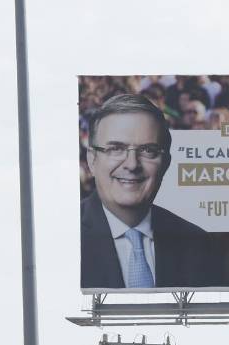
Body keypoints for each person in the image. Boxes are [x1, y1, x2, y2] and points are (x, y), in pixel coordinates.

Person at [81, 93, 211, 289]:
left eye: (148, 150)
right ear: (92, 160)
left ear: (166, 163)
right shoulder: (61, 237)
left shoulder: (198, 243)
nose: (132, 164)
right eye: (116, 149)